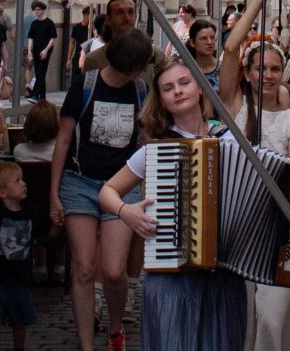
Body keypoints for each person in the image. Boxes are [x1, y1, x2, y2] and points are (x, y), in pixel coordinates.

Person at [105, 58, 246, 351]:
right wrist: (125, 211)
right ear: (162, 101)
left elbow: (256, 193)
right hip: (171, 274)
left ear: (200, 89)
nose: (178, 91)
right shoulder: (157, 149)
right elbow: (108, 191)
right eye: (168, 88)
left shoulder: (229, 139)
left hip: (223, 272)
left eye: (184, 83)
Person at [54, 26, 152, 351]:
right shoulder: (85, 85)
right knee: (83, 268)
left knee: (112, 270)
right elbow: (63, 140)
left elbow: (144, 142)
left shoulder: (139, 90)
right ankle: (86, 345)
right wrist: (54, 193)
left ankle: (115, 327)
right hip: (79, 182)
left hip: (121, 185)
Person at [221, 38, 290, 351]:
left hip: (279, 231)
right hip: (238, 229)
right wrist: (254, 10)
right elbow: (229, 51)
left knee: (271, 321)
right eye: (261, 69)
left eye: (275, 69)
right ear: (247, 73)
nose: (269, 75)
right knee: (243, 323)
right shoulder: (235, 108)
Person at [0, 159, 35, 351]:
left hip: (21, 277)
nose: (23, 183)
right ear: (2, 192)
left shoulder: (29, 211)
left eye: (22, 179)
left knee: (20, 322)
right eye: (17, 181)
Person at [27, 2, 58, 100]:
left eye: (38, 10)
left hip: (45, 50)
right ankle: (42, 95)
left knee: (40, 71)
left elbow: (52, 38)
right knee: (39, 72)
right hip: (36, 50)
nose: (36, 12)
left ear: (43, 10)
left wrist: (46, 50)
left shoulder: (49, 23)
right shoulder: (34, 23)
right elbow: (30, 38)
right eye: (35, 10)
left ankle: (35, 94)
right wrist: (29, 51)